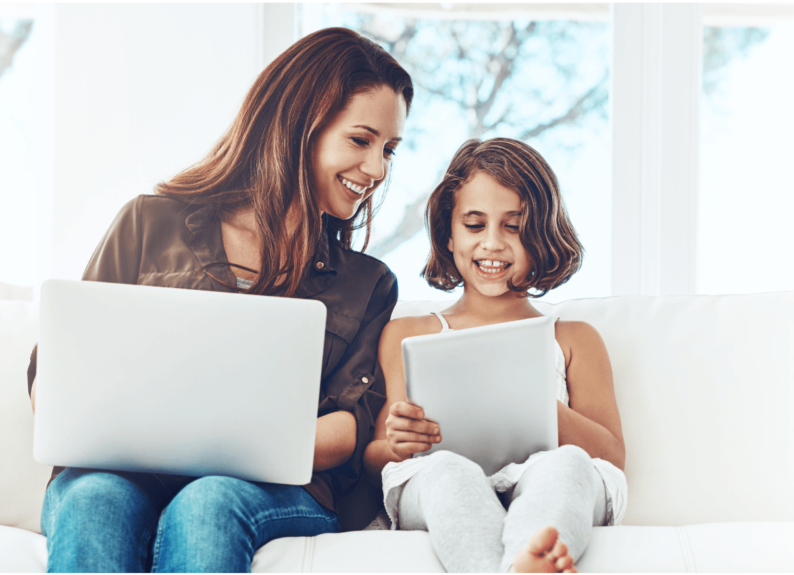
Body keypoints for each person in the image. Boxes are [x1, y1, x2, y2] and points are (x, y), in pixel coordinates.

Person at [26, 27, 412, 574]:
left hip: (268, 492)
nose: (377, 170)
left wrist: (225, 446)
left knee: (208, 501)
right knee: (94, 500)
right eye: (361, 140)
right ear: (299, 125)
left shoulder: (368, 283)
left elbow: (349, 430)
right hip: (119, 478)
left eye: (389, 150)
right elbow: (56, 383)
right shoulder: (148, 223)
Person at [365, 138, 627, 574]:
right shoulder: (408, 333)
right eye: (474, 225)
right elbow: (376, 457)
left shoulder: (575, 339)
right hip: (441, 480)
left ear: (540, 235)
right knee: (447, 470)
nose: (492, 243)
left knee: (566, 465)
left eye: (513, 226)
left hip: (542, 479)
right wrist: (396, 442)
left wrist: (533, 407)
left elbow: (611, 456)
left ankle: (526, 559)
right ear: (449, 234)